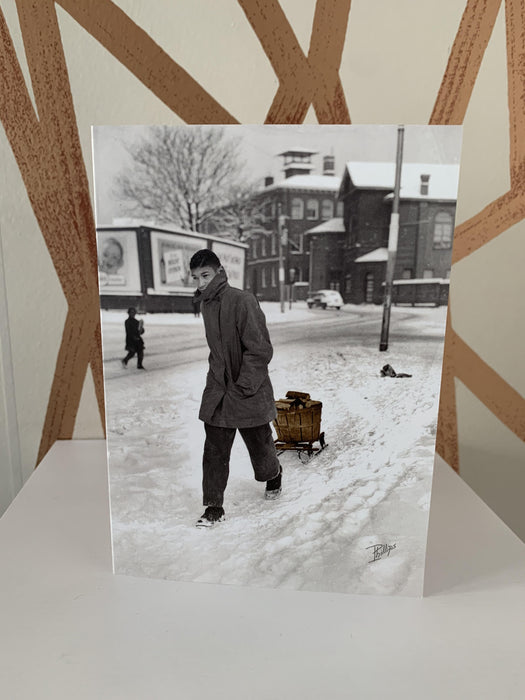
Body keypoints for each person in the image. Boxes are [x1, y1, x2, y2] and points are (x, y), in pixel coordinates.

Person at [190, 249, 282, 528]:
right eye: (195, 278)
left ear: (219, 271)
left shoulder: (242, 301)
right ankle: (213, 506)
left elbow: (260, 349)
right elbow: (217, 350)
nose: (200, 283)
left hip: (247, 388)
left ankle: (274, 475)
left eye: (205, 275)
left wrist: (244, 385)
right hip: (219, 389)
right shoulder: (206, 305)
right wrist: (215, 380)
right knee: (214, 448)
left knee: (260, 445)